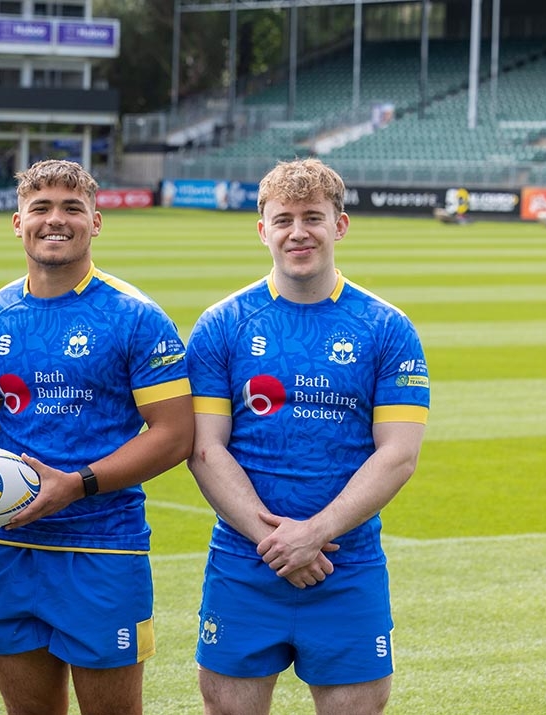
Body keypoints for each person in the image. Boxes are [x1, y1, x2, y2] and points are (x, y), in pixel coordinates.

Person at [185, 157, 430, 715]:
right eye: (284, 219)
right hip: (244, 564)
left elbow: (398, 455)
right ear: (263, 230)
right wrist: (280, 544)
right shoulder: (222, 324)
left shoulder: (387, 327)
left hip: (348, 565)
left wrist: (314, 534)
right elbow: (204, 447)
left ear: (339, 225)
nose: (299, 232)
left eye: (313, 218)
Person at [0, 159, 194, 715]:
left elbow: (174, 434)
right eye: (40, 207)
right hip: (11, 548)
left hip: (103, 549)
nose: (55, 220)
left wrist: (77, 483)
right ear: (17, 222)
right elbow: (1, 414)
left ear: (97, 222)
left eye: (72, 207)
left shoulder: (135, 317)